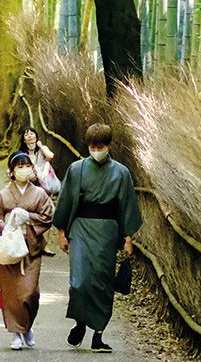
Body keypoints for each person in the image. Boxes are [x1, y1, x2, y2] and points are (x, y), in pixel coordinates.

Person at [53, 123, 142, 354]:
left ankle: (98, 336)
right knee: (80, 281)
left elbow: (126, 206)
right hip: (80, 228)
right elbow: (64, 202)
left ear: (109, 146)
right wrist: (62, 232)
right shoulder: (76, 169)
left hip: (108, 232)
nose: (96, 150)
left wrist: (128, 238)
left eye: (100, 146)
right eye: (92, 146)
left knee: (103, 283)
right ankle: (80, 323)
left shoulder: (121, 173)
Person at [0, 152, 55, 351]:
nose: (25, 169)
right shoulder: (3, 194)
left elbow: (48, 216)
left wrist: (29, 217)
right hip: (8, 248)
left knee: (29, 293)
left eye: (28, 166)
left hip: (30, 250)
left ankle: (26, 326)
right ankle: (15, 333)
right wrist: (1, 226)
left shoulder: (39, 194)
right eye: (20, 166)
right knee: (10, 293)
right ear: (12, 171)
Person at [18, 128, 60, 196]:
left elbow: (50, 156)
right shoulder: (22, 154)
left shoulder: (42, 149)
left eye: (32, 134)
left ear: (36, 137)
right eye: (26, 135)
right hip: (29, 181)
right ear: (24, 140)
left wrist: (40, 146)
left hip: (45, 180)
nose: (29, 136)